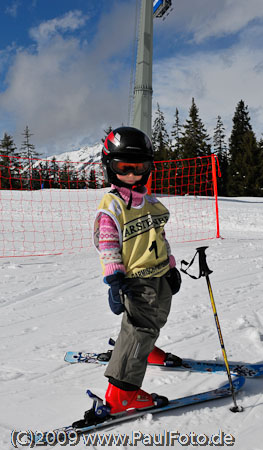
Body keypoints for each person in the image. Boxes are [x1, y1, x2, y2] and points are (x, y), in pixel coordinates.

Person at [81, 126, 182, 425]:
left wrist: (172, 266)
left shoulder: (149, 202)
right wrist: (114, 280)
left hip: (159, 274)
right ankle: (122, 391)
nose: (133, 175)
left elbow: (159, 237)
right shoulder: (112, 207)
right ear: (110, 168)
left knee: (154, 319)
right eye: (124, 168)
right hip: (136, 278)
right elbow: (107, 245)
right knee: (141, 327)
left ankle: (145, 350)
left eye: (140, 168)